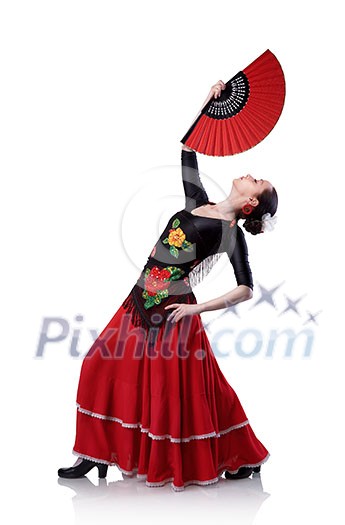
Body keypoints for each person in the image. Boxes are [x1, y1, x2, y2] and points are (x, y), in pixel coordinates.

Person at [58, 81, 278, 491]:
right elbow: (187, 151)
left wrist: (198, 308)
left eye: (256, 181)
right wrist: (207, 105)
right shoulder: (198, 203)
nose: (249, 174)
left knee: (181, 394)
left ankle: (239, 454)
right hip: (140, 298)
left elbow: (246, 288)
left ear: (250, 204)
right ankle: (93, 453)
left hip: (174, 313)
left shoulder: (232, 233)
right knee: (99, 365)